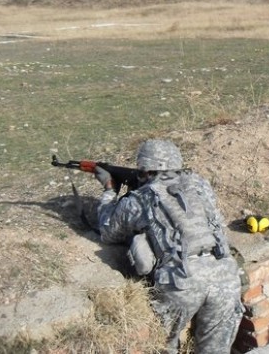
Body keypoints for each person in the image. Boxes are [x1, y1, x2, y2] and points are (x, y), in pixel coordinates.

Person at [94, 139, 244, 354]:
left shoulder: (139, 200)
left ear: (143, 168)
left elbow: (108, 232)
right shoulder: (200, 185)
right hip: (225, 276)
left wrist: (109, 191)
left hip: (181, 281)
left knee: (166, 347)